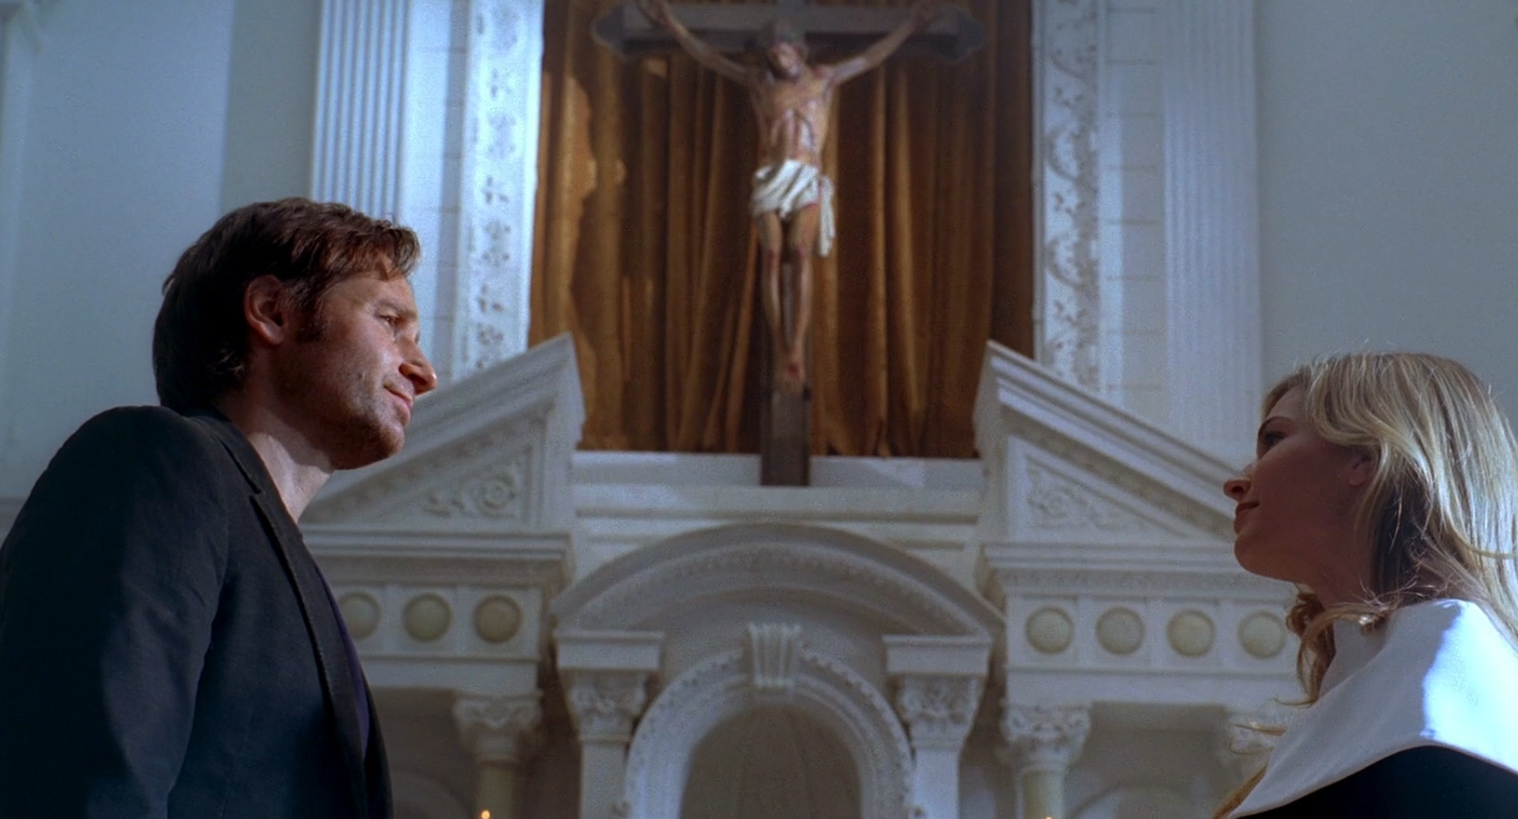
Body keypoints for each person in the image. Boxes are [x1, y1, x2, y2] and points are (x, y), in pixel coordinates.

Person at [0, 198, 438, 818]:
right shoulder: (155, 462)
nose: (424, 372)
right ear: (273, 311)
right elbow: (84, 784)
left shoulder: (276, 556)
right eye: (391, 322)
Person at [1217, 352, 1518, 817]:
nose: (1236, 483)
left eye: (1274, 439)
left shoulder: (1446, 705)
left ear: (1367, 458)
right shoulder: (1380, 691)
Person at [637, 0, 947, 394]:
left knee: (800, 252)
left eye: (784, 52)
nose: (778, 59)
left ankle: (796, 346)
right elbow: (711, 59)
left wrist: (910, 26)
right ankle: (779, 343)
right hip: (771, 176)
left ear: (799, 50)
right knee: (770, 254)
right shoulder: (759, 83)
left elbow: (870, 58)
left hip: (806, 178)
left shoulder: (824, 79)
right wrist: (674, 26)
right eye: (772, 54)